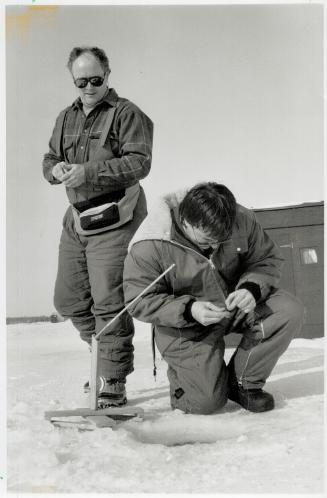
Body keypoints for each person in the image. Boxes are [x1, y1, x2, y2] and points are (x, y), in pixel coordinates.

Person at [123, 182, 304, 414]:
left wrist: (251, 288)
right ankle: (195, 386)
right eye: (207, 240)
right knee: (206, 403)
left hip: (234, 306)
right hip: (186, 324)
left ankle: (242, 384)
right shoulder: (149, 244)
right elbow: (138, 300)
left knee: (288, 311)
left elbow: (266, 259)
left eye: (222, 239)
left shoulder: (241, 219)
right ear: (186, 222)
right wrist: (189, 309)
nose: (216, 246)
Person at [42, 46, 153, 408]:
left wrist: (88, 171)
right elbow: (50, 157)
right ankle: (101, 358)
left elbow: (139, 162)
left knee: (108, 300)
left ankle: (113, 379)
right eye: (81, 81)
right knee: (69, 300)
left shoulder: (127, 113)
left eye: (95, 79)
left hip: (114, 214)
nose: (88, 87)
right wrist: (54, 169)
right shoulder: (65, 116)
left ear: (108, 75)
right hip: (77, 216)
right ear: (72, 80)